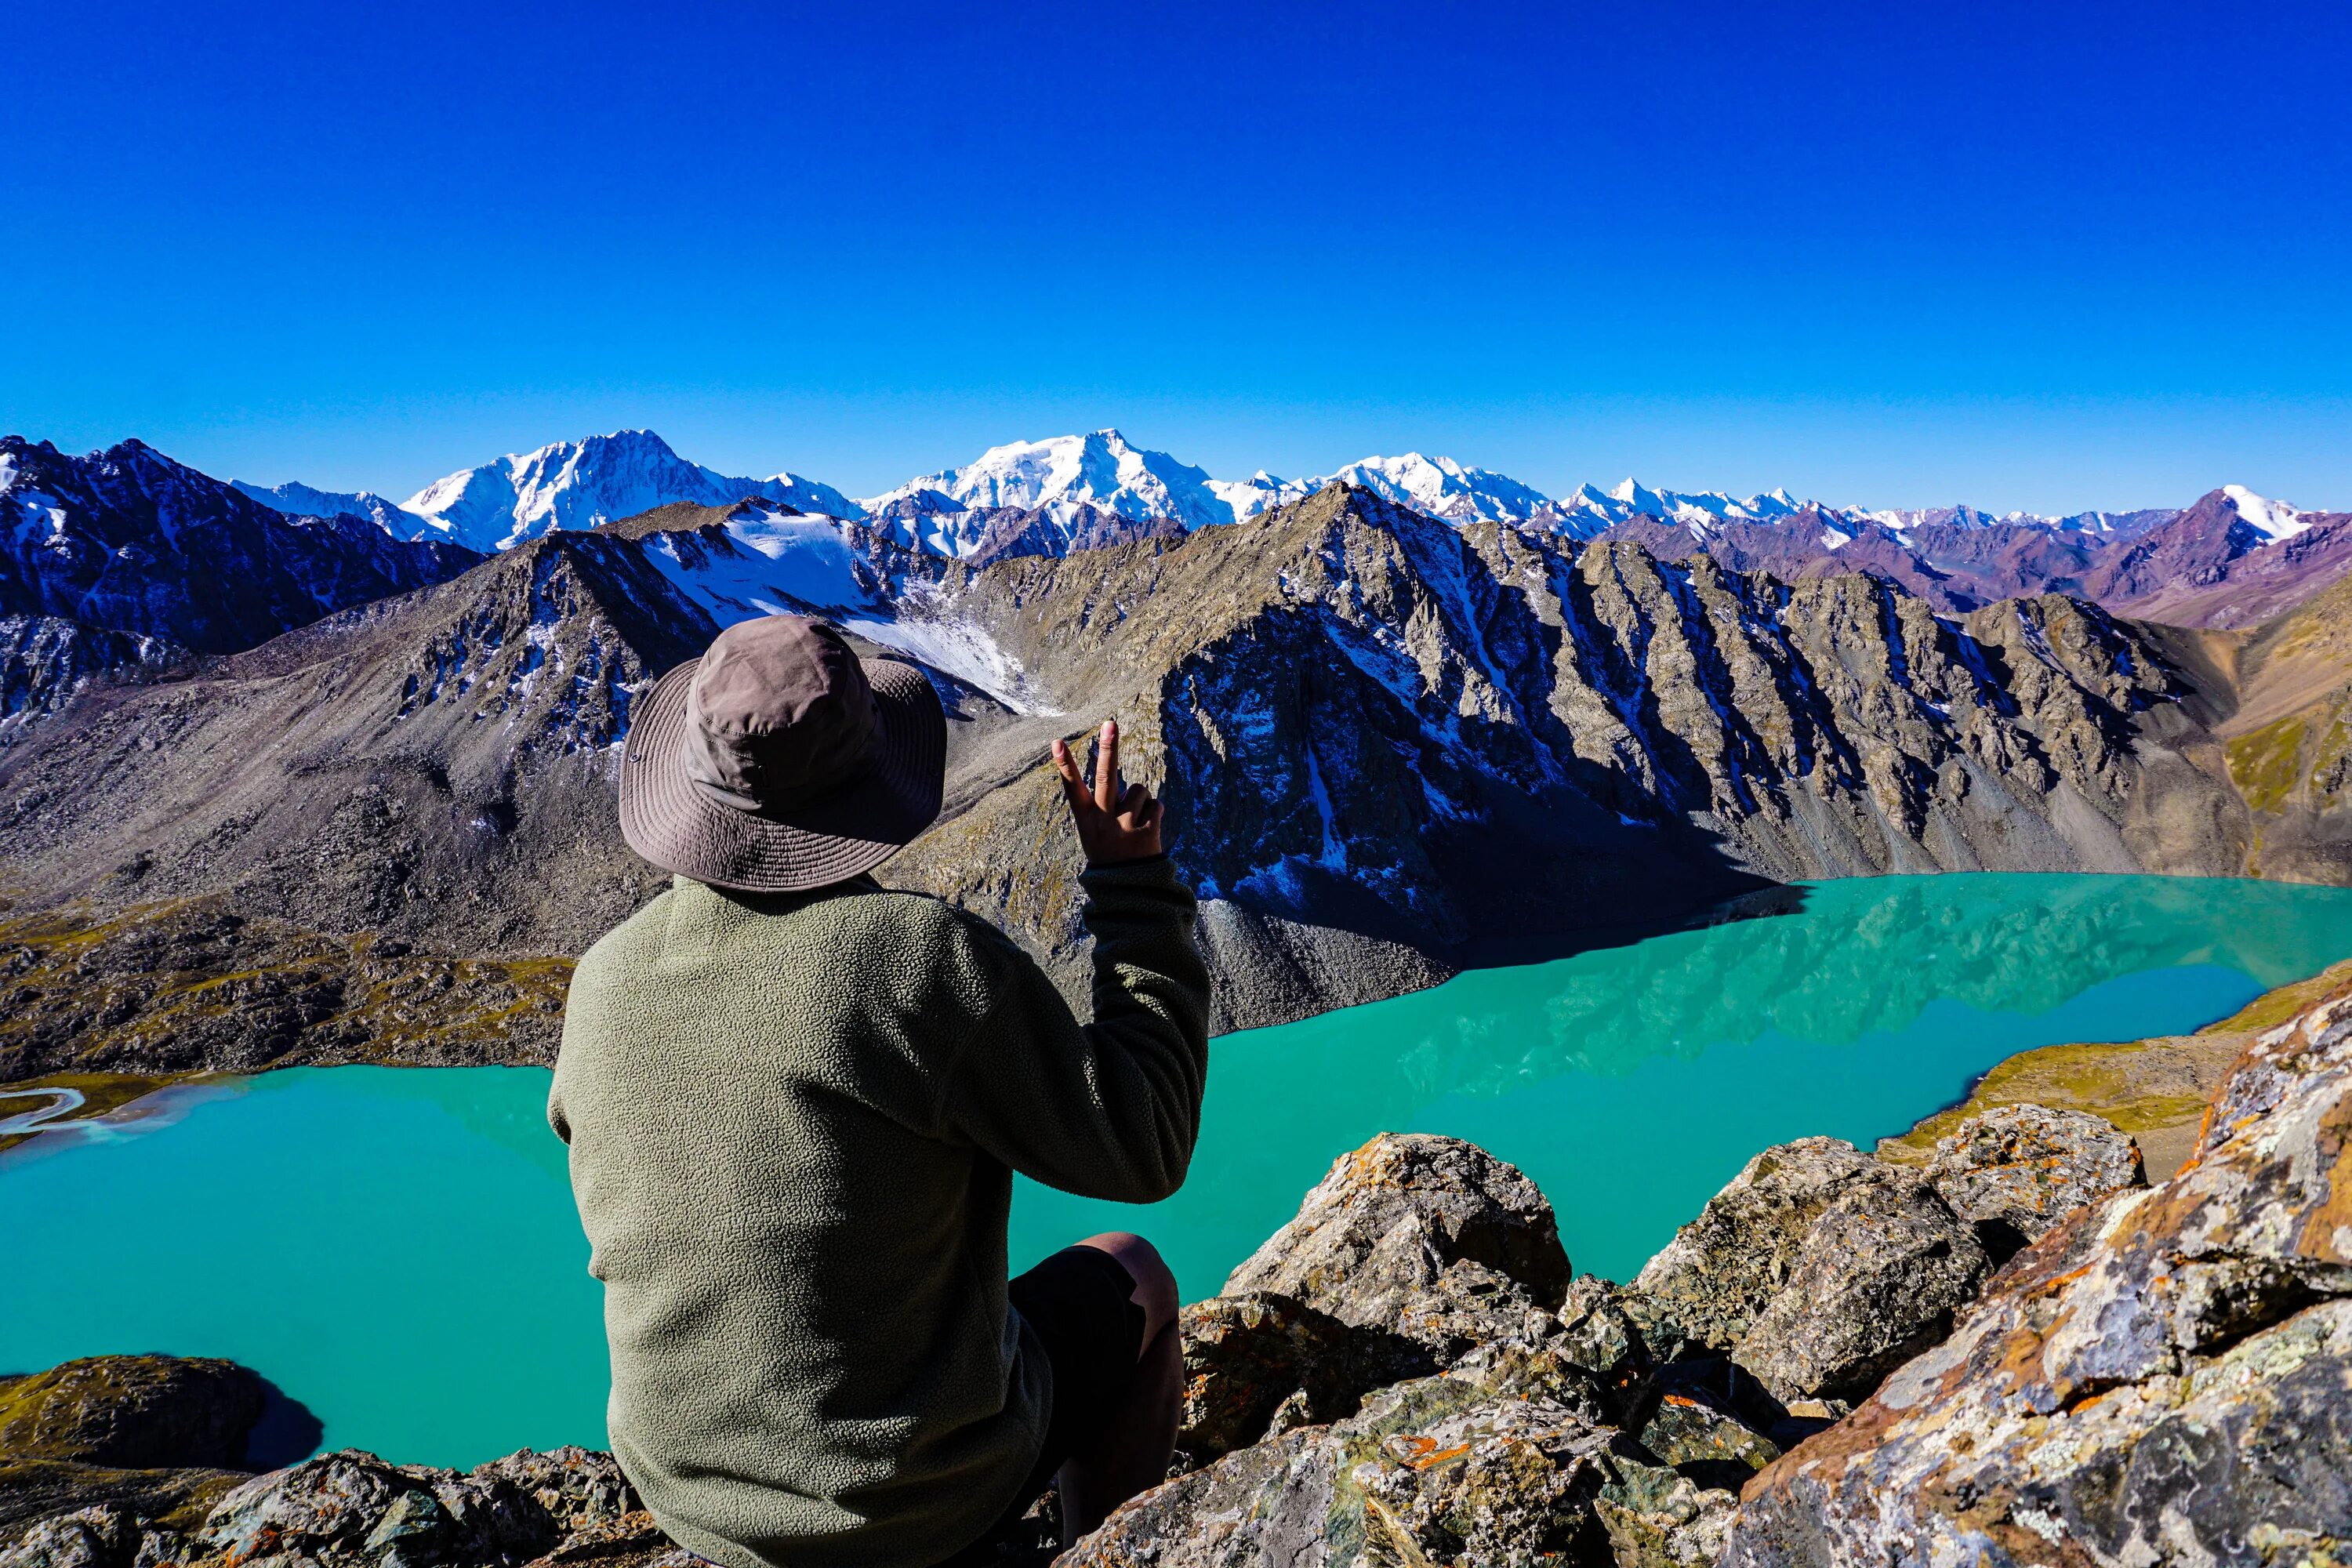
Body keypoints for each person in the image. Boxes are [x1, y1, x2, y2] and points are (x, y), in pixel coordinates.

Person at [548, 614, 1211, 1568]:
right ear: (870, 782)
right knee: (1135, 1267)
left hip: (686, 1490)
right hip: (908, 1505)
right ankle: (1086, 1548)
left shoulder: (604, 978)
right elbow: (1145, 1142)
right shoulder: (918, 960)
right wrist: (1134, 887)